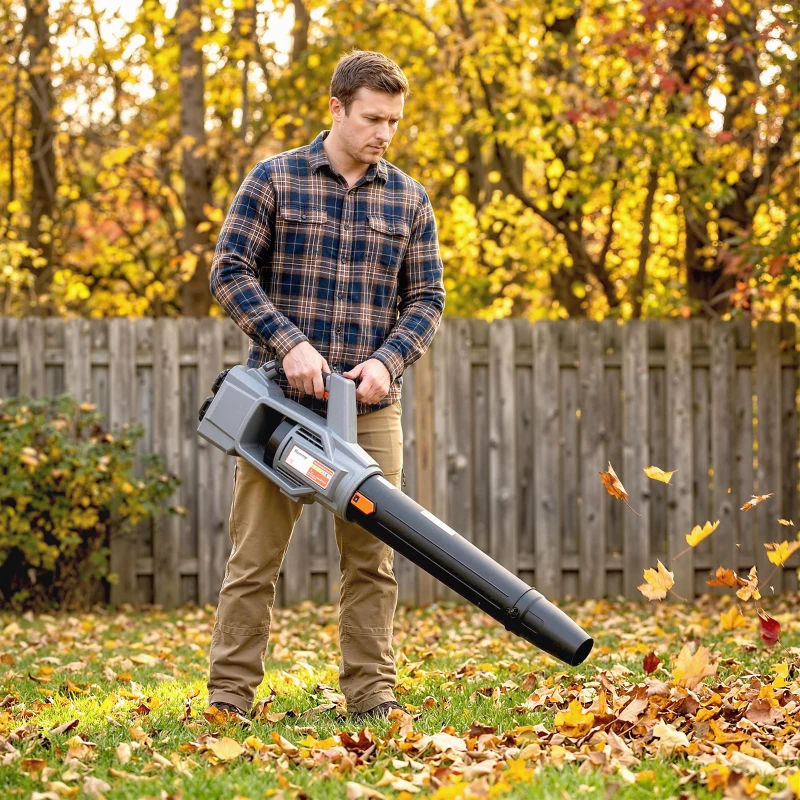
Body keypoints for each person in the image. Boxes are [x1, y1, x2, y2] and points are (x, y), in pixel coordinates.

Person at [206, 50, 445, 720]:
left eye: (394, 121)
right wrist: (290, 345)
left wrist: (388, 362)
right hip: (280, 411)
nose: (385, 133)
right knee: (254, 561)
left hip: (369, 412)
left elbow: (427, 298)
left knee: (373, 564)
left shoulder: (408, 199)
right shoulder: (275, 180)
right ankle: (228, 699)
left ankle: (371, 697)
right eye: (373, 118)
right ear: (335, 108)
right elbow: (228, 271)